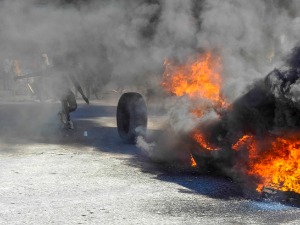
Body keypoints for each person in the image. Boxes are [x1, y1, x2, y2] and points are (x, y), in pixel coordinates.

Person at [52, 53, 89, 129]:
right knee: (64, 98)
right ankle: (68, 121)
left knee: (74, 107)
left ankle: (62, 113)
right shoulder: (52, 70)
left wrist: (83, 96)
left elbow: (76, 83)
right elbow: (37, 73)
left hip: (67, 90)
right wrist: (22, 77)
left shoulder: (67, 70)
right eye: (57, 61)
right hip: (59, 91)